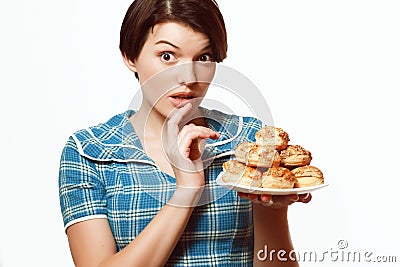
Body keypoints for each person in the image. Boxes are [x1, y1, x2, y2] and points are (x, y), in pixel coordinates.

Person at [58, 0, 312, 266]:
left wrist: (273, 208)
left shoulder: (249, 140)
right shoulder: (90, 152)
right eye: (167, 56)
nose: (188, 77)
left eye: (203, 57)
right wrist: (187, 190)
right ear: (130, 56)